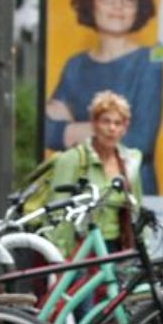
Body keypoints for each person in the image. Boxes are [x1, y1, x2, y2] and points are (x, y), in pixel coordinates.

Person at [44, 0, 163, 193]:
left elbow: (139, 141)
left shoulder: (149, 62)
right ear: (91, 2)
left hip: (130, 190)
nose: (117, 6)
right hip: (82, 188)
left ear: (139, 7)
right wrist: (109, 133)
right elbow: (48, 132)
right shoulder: (76, 65)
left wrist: (72, 129)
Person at [42, 89, 144, 256]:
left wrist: (142, 252)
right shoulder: (73, 159)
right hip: (79, 250)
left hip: (117, 250)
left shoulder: (129, 161)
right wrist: (60, 258)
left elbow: (137, 210)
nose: (112, 128)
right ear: (94, 124)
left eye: (118, 123)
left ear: (125, 128)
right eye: (106, 121)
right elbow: (57, 213)